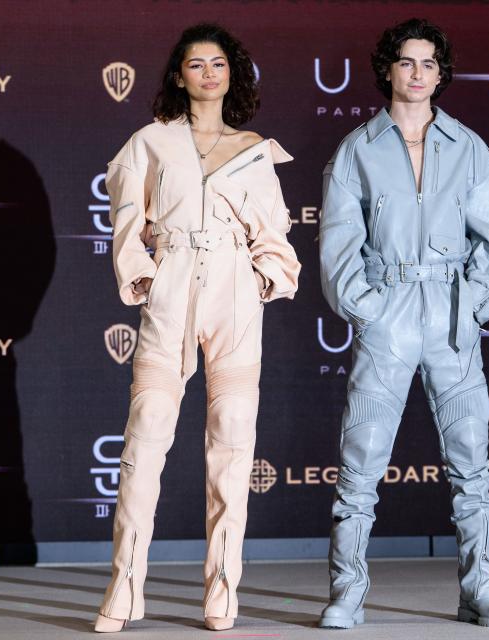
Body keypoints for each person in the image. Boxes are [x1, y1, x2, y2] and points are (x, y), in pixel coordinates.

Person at [94, 23, 300, 633]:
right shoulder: (151, 142)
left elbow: (274, 234)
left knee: (233, 438)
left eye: (217, 63)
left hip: (235, 294)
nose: (207, 73)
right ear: (178, 75)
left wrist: (260, 281)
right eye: (195, 64)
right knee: (147, 430)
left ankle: (222, 591)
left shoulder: (254, 147)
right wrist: (147, 277)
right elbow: (128, 216)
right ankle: (124, 590)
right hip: (173, 284)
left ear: (231, 73)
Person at [318, 18, 489, 628]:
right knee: (362, 457)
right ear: (388, 69)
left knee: (470, 457)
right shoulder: (357, 149)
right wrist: (368, 308)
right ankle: (347, 591)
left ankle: (481, 589)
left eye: (430, 64)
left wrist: (479, 300)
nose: (419, 73)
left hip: (452, 316)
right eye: (408, 62)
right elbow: (338, 240)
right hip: (390, 314)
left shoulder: (469, 147)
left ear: (441, 73)